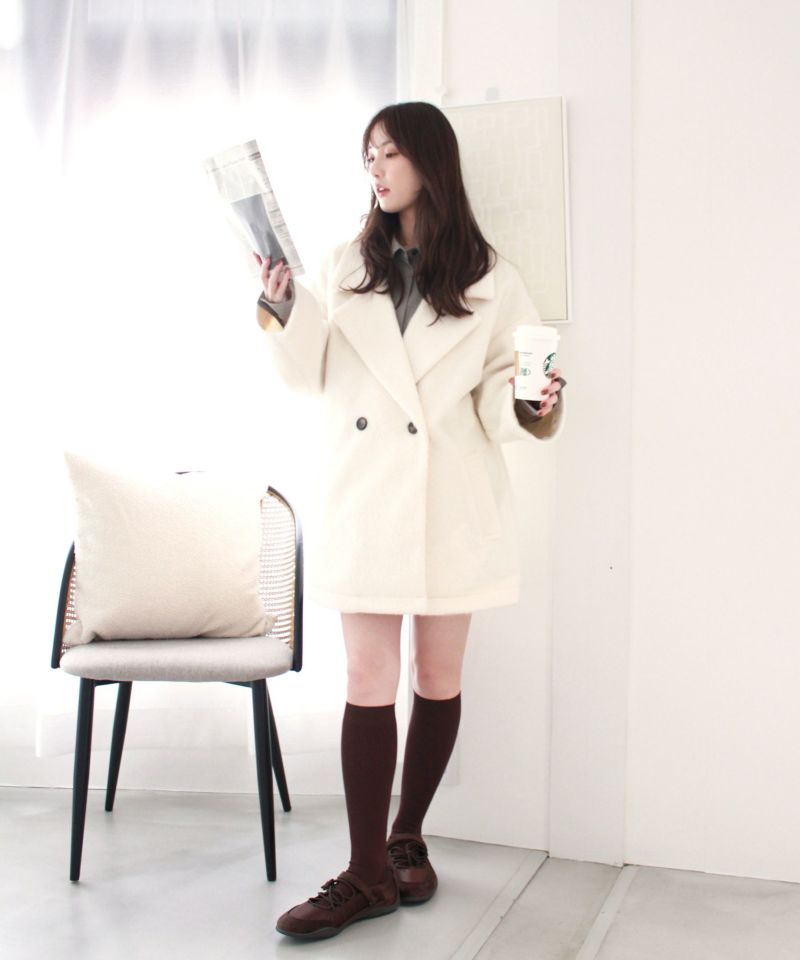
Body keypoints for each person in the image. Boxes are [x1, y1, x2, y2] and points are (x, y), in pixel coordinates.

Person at [252, 100, 566, 942]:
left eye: (389, 153)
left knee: (436, 674)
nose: (377, 169)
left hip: (450, 499)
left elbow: (502, 393)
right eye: (369, 156)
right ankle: (366, 874)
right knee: (366, 677)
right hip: (365, 494)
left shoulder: (491, 278)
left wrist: (533, 401)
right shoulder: (344, 265)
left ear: (431, 159)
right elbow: (308, 373)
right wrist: (282, 306)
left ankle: (406, 838)